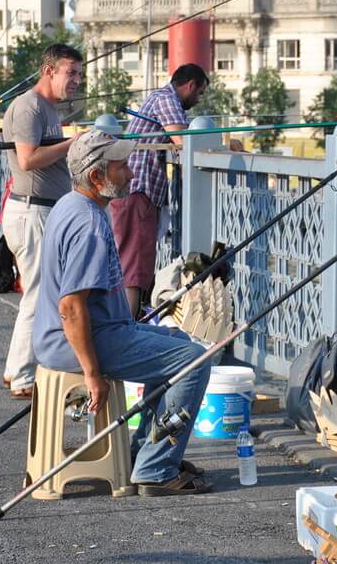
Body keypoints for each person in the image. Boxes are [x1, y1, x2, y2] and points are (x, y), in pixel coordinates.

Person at [34, 130, 213, 495]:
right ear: (97, 177)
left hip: (88, 331)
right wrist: (92, 373)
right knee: (193, 360)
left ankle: (144, 452)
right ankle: (156, 467)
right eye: (121, 168)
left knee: (179, 341)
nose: (131, 174)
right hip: (80, 340)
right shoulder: (89, 225)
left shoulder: (69, 204)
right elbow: (71, 306)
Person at [2, 43, 84, 399]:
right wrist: (72, 143)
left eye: (79, 73)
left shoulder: (48, 110)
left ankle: (15, 369)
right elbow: (27, 160)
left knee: (42, 293)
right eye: (71, 72)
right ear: (49, 71)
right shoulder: (28, 107)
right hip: (31, 211)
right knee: (37, 295)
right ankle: (22, 377)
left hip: (45, 210)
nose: (76, 80)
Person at [109, 63, 208, 315]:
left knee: (129, 261)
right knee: (134, 264)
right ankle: (127, 327)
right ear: (190, 85)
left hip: (132, 190)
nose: (197, 100)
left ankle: (123, 322)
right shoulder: (167, 99)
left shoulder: (159, 98)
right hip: (138, 191)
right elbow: (185, 141)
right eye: (199, 93)